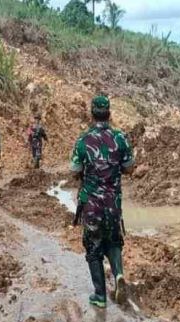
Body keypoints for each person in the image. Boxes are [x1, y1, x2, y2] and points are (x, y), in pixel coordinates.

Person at [70, 95, 135, 308]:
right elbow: (129, 167)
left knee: (93, 247)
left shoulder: (83, 140)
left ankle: (99, 295)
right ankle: (118, 275)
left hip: (91, 205)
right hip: (113, 203)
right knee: (114, 241)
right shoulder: (121, 138)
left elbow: (75, 171)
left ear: (92, 113)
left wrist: (88, 174)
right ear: (109, 113)